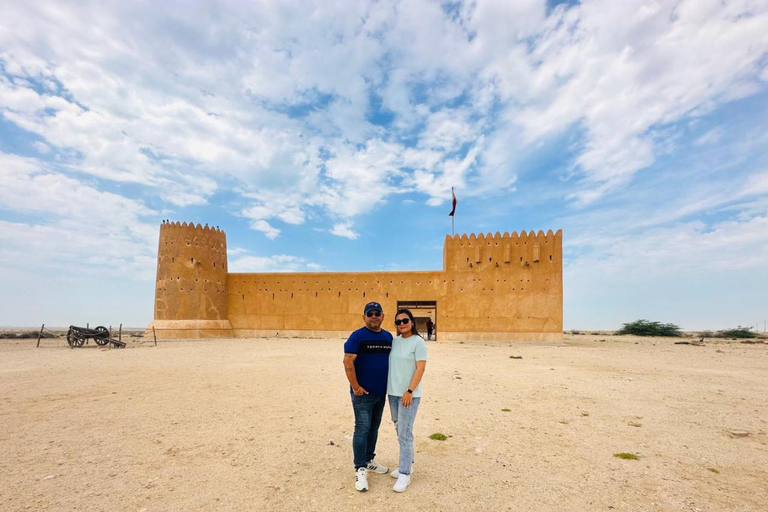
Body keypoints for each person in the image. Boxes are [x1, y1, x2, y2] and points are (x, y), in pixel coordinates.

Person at [343, 301, 393, 492]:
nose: (374, 316)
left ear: (382, 316)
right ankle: (360, 468)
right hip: (362, 394)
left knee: (374, 428)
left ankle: (369, 459)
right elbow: (348, 360)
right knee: (362, 429)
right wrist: (355, 387)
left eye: (377, 313)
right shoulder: (357, 337)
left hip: (381, 393)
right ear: (364, 317)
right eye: (370, 314)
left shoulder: (388, 337)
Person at [387, 308, 427, 493]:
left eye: (405, 320)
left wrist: (409, 390)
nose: (401, 324)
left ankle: (405, 474)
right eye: (398, 322)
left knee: (404, 432)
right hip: (393, 394)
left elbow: (420, 369)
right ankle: (408, 463)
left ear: (412, 322)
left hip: (408, 395)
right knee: (400, 428)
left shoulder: (418, 342)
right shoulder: (394, 342)